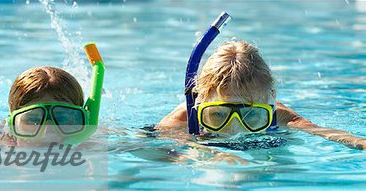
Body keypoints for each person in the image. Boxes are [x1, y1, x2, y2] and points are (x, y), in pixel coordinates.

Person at [157, 41, 366, 150]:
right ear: (200, 100)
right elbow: (140, 146)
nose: (234, 130)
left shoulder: (281, 115)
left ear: (271, 99)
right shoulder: (186, 117)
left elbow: (326, 133)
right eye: (218, 115)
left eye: (250, 114)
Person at [2, 43, 105, 146]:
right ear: (12, 126)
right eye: (33, 120)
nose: (48, 133)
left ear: (82, 123)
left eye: (63, 119)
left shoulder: (95, 146)